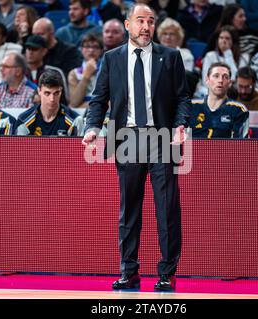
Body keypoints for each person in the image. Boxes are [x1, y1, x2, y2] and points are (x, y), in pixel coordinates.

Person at [82, 3, 190, 291]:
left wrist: (181, 125)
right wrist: (92, 128)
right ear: (127, 24)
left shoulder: (170, 57)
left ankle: (167, 273)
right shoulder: (112, 58)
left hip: (162, 139)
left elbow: (183, 98)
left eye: (151, 21)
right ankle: (129, 272)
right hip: (127, 139)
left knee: (167, 209)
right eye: (140, 21)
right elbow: (98, 100)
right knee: (129, 209)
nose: (146, 27)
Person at [191, 62, 249, 138]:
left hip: (225, 150)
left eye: (225, 77)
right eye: (216, 76)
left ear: (230, 83)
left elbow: (239, 146)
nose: (220, 80)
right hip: (194, 149)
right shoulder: (191, 106)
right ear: (207, 80)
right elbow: (181, 143)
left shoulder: (239, 110)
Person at [15, 70, 77, 136]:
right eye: (47, 93)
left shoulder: (75, 121)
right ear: (39, 91)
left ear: (61, 91)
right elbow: (20, 146)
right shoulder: (24, 120)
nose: (52, 99)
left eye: (56, 93)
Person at [24, 34, 69, 104]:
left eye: (34, 49)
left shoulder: (55, 72)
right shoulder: (19, 72)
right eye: (28, 48)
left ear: (44, 51)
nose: (30, 52)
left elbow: (63, 100)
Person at [68, 33, 103, 108]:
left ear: (101, 51)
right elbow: (74, 103)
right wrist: (86, 77)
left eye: (95, 47)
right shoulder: (74, 73)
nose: (91, 50)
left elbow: (111, 101)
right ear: (81, 49)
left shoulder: (108, 71)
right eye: (87, 46)